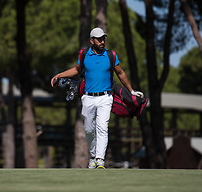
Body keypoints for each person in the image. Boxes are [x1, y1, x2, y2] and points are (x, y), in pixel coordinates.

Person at [50, 27, 143, 169]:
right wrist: (59, 75)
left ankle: (100, 159)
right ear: (91, 40)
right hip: (88, 98)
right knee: (88, 129)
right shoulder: (83, 54)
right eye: (99, 39)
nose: (102, 41)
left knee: (102, 128)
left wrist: (131, 91)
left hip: (105, 98)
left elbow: (121, 73)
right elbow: (76, 70)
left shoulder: (111, 55)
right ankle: (93, 156)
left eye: (103, 38)